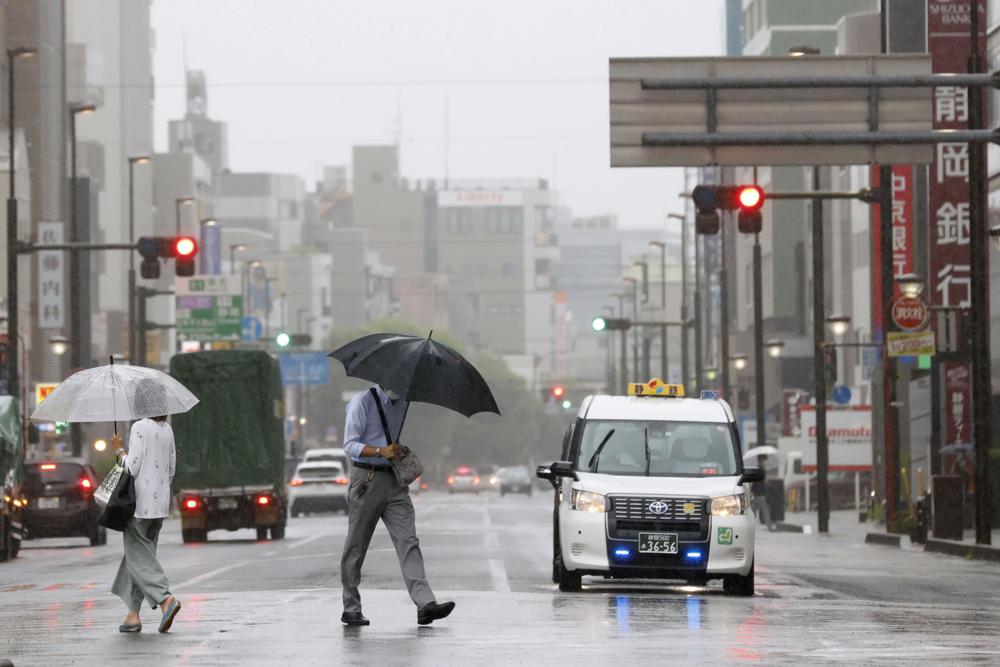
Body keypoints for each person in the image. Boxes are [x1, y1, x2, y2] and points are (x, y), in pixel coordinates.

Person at [340, 384, 454, 627]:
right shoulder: (363, 401)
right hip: (366, 480)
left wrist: (395, 449)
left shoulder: (403, 402)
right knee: (356, 546)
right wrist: (381, 450)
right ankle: (351, 607)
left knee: (409, 541)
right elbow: (350, 444)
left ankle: (425, 604)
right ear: (383, 378)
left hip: (394, 481)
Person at [111, 382, 181, 634]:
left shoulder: (140, 427)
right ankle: (132, 615)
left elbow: (131, 467)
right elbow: (172, 469)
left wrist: (119, 449)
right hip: (160, 505)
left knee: (139, 558)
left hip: (138, 506)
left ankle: (165, 599)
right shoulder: (167, 430)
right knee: (138, 558)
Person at [750, 453, 776, 532]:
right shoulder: (761, 469)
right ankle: (770, 528)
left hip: (756, 493)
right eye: (764, 459)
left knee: (752, 513)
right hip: (760, 494)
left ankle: (748, 527)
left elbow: (753, 481)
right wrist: (767, 483)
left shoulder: (756, 468)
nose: (765, 461)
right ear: (761, 459)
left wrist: (751, 491)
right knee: (765, 512)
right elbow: (764, 481)